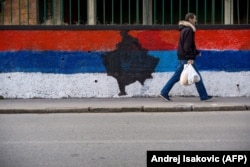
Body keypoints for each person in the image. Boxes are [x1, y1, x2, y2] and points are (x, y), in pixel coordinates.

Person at [160, 13, 213, 102]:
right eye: (194, 19)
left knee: (177, 77)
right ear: (190, 19)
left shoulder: (184, 29)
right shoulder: (188, 30)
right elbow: (187, 46)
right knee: (197, 77)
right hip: (186, 57)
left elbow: (188, 45)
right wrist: (190, 57)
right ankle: (203, 96)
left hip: (182, 56)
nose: (195, 21)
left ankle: (164, 92)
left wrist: (196, 52)